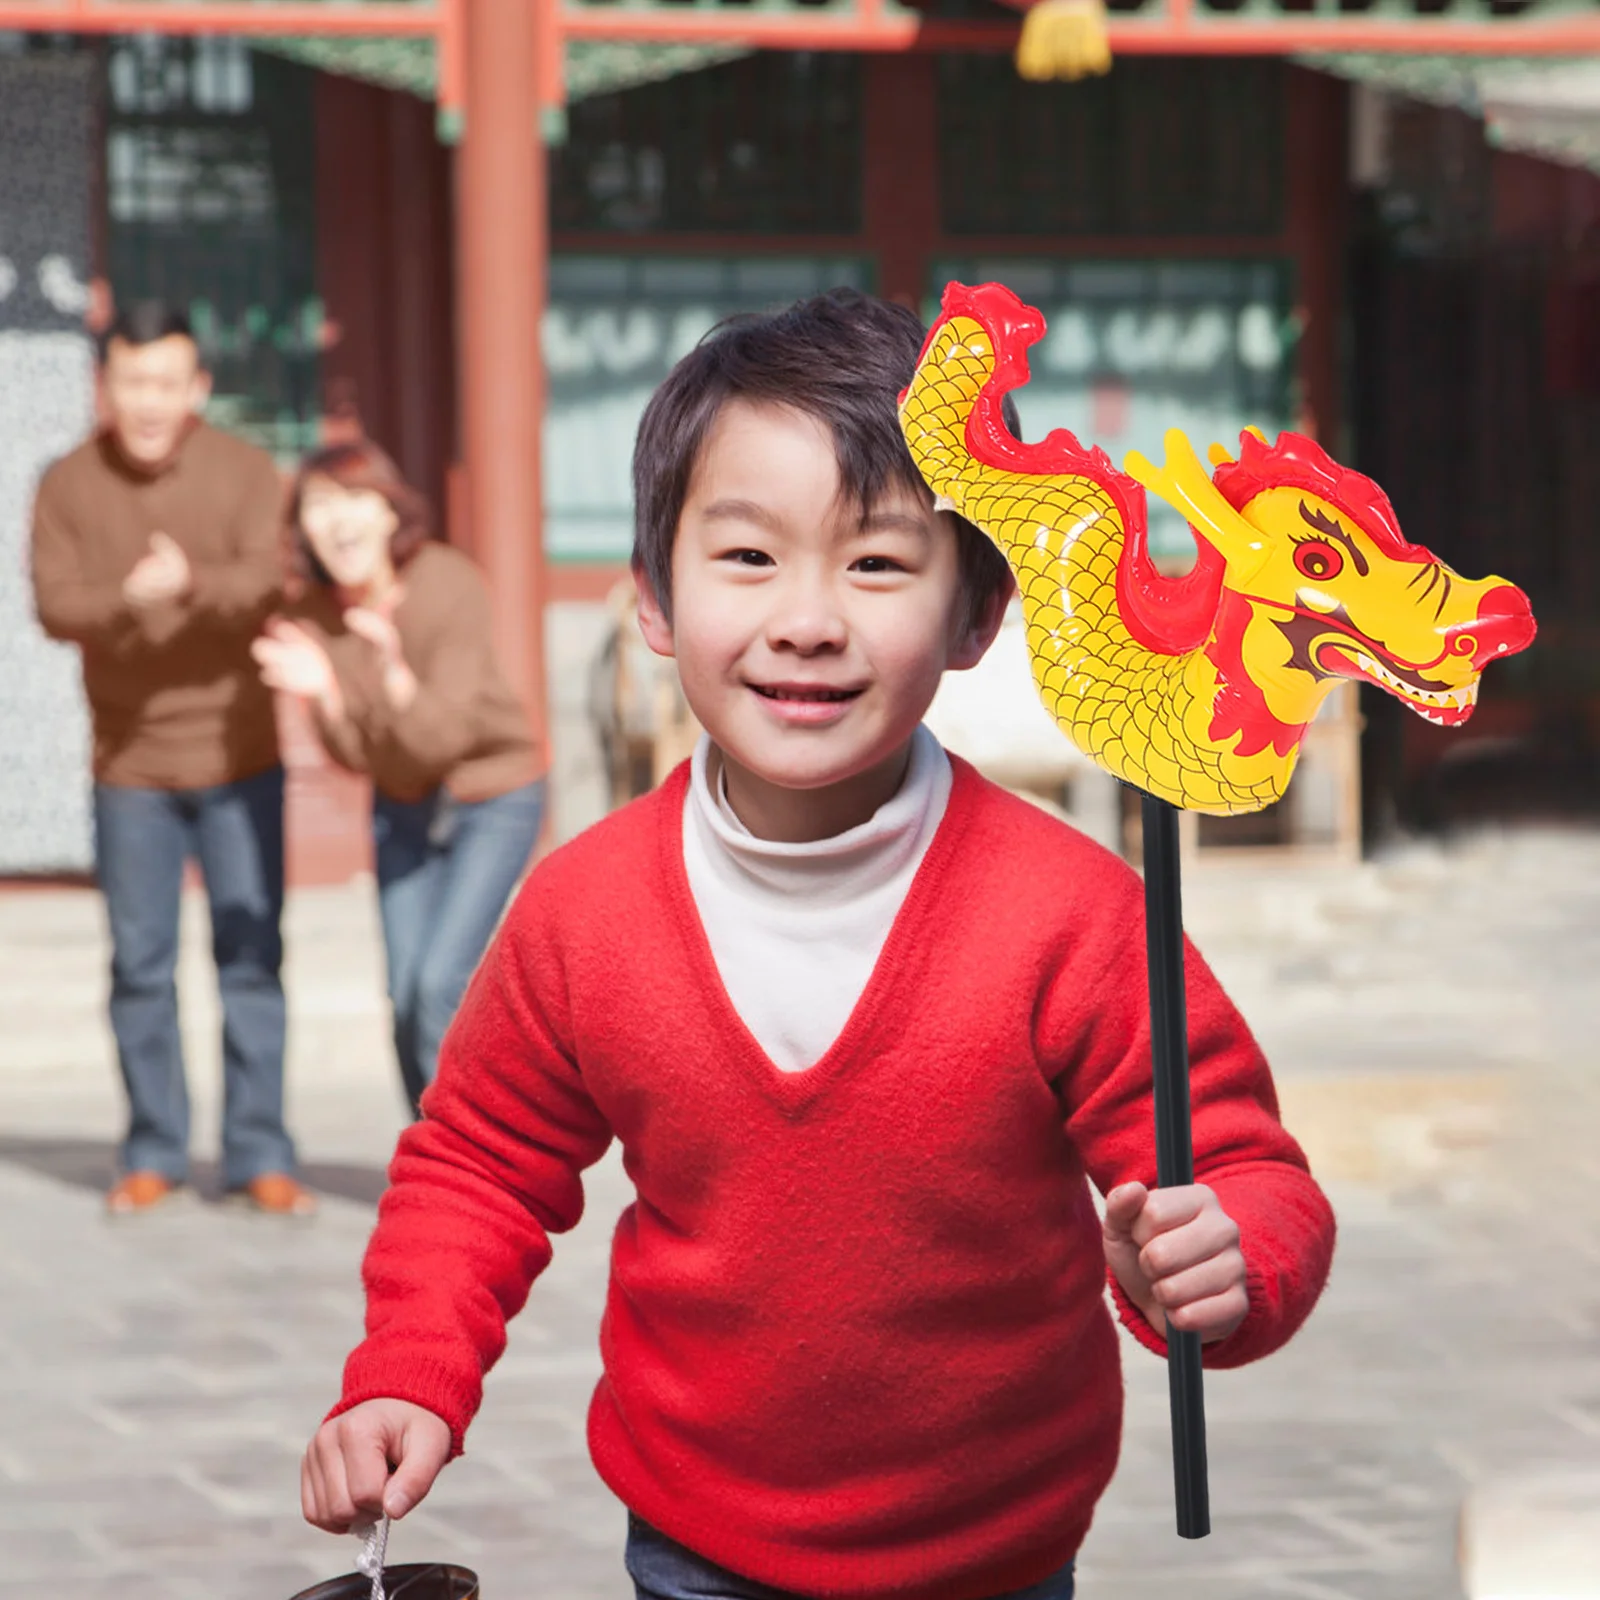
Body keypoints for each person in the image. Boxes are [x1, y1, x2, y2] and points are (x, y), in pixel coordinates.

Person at [300, 292, 1336, 1599]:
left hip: (997, 1556)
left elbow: (1243, 1163)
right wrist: (408, 1370)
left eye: (878, 563)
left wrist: (1226, 1257)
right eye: (747, 558)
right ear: (654, 602)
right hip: (698, 1543)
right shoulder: (586, 912)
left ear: (973, 616)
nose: (808, 618)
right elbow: (480, 1164)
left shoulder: (1072, 914)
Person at [29, 300, 312, 1217]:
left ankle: (259, 1151)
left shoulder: (241, 469)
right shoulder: (68, 481)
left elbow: (270, 579)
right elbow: (56, 603)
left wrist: (185, 586)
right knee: (141, 966)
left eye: (165, 382)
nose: (148, 402)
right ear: (104, 385)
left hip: (240, 755)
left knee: (250, 958)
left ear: (196, 387)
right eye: (130, 381)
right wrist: (136, 597)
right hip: (130, 769)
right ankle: (152, 1149)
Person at [252, 441, 544, 1117]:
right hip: (403, 807)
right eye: (319, 506)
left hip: (492, 796)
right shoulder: (314, 618)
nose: (339, 521)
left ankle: (476, 1160)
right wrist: (326, 695)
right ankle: (436, 1152)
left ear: (389, 512)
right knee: (403, 991)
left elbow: (437, 741)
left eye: (356, 498)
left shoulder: (447, 581)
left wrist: (392, 678)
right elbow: (361, 759)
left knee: (441, 982)